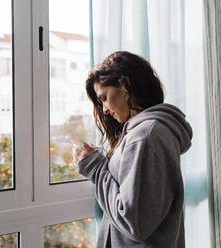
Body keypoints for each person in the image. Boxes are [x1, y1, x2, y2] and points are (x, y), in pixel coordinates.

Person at [74, 51, 193, 248]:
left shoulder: (145, 137)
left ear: (125, 84)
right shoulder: (144, 133)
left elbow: (134, 222)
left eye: (104, 97)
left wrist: (95, 166)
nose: (104, 109)